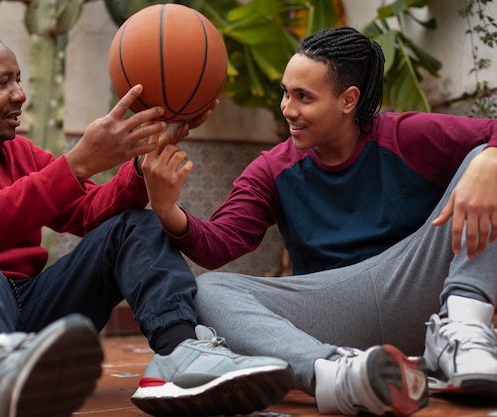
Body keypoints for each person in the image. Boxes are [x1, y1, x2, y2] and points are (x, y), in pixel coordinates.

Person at [0, 30, 293, 417]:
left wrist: (142, 161)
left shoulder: (16, 152)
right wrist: (76, 164)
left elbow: (93, 214)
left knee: (132, 226)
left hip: (22, 318)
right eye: (3, 83)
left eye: (19, 80)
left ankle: (182, 353)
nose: (20, 95)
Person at [141, 25, 497, 416]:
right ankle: (338, 374)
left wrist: (489, 159)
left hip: (415, 290)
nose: (288, 109)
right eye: (285, 92)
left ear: (348, 100)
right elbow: (220, 244)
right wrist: (166, 209)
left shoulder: (406, 136)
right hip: (331, 313)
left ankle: (462, 330)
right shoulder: (273, 169)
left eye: (303, 97)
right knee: (209, 291)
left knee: (487, 160)